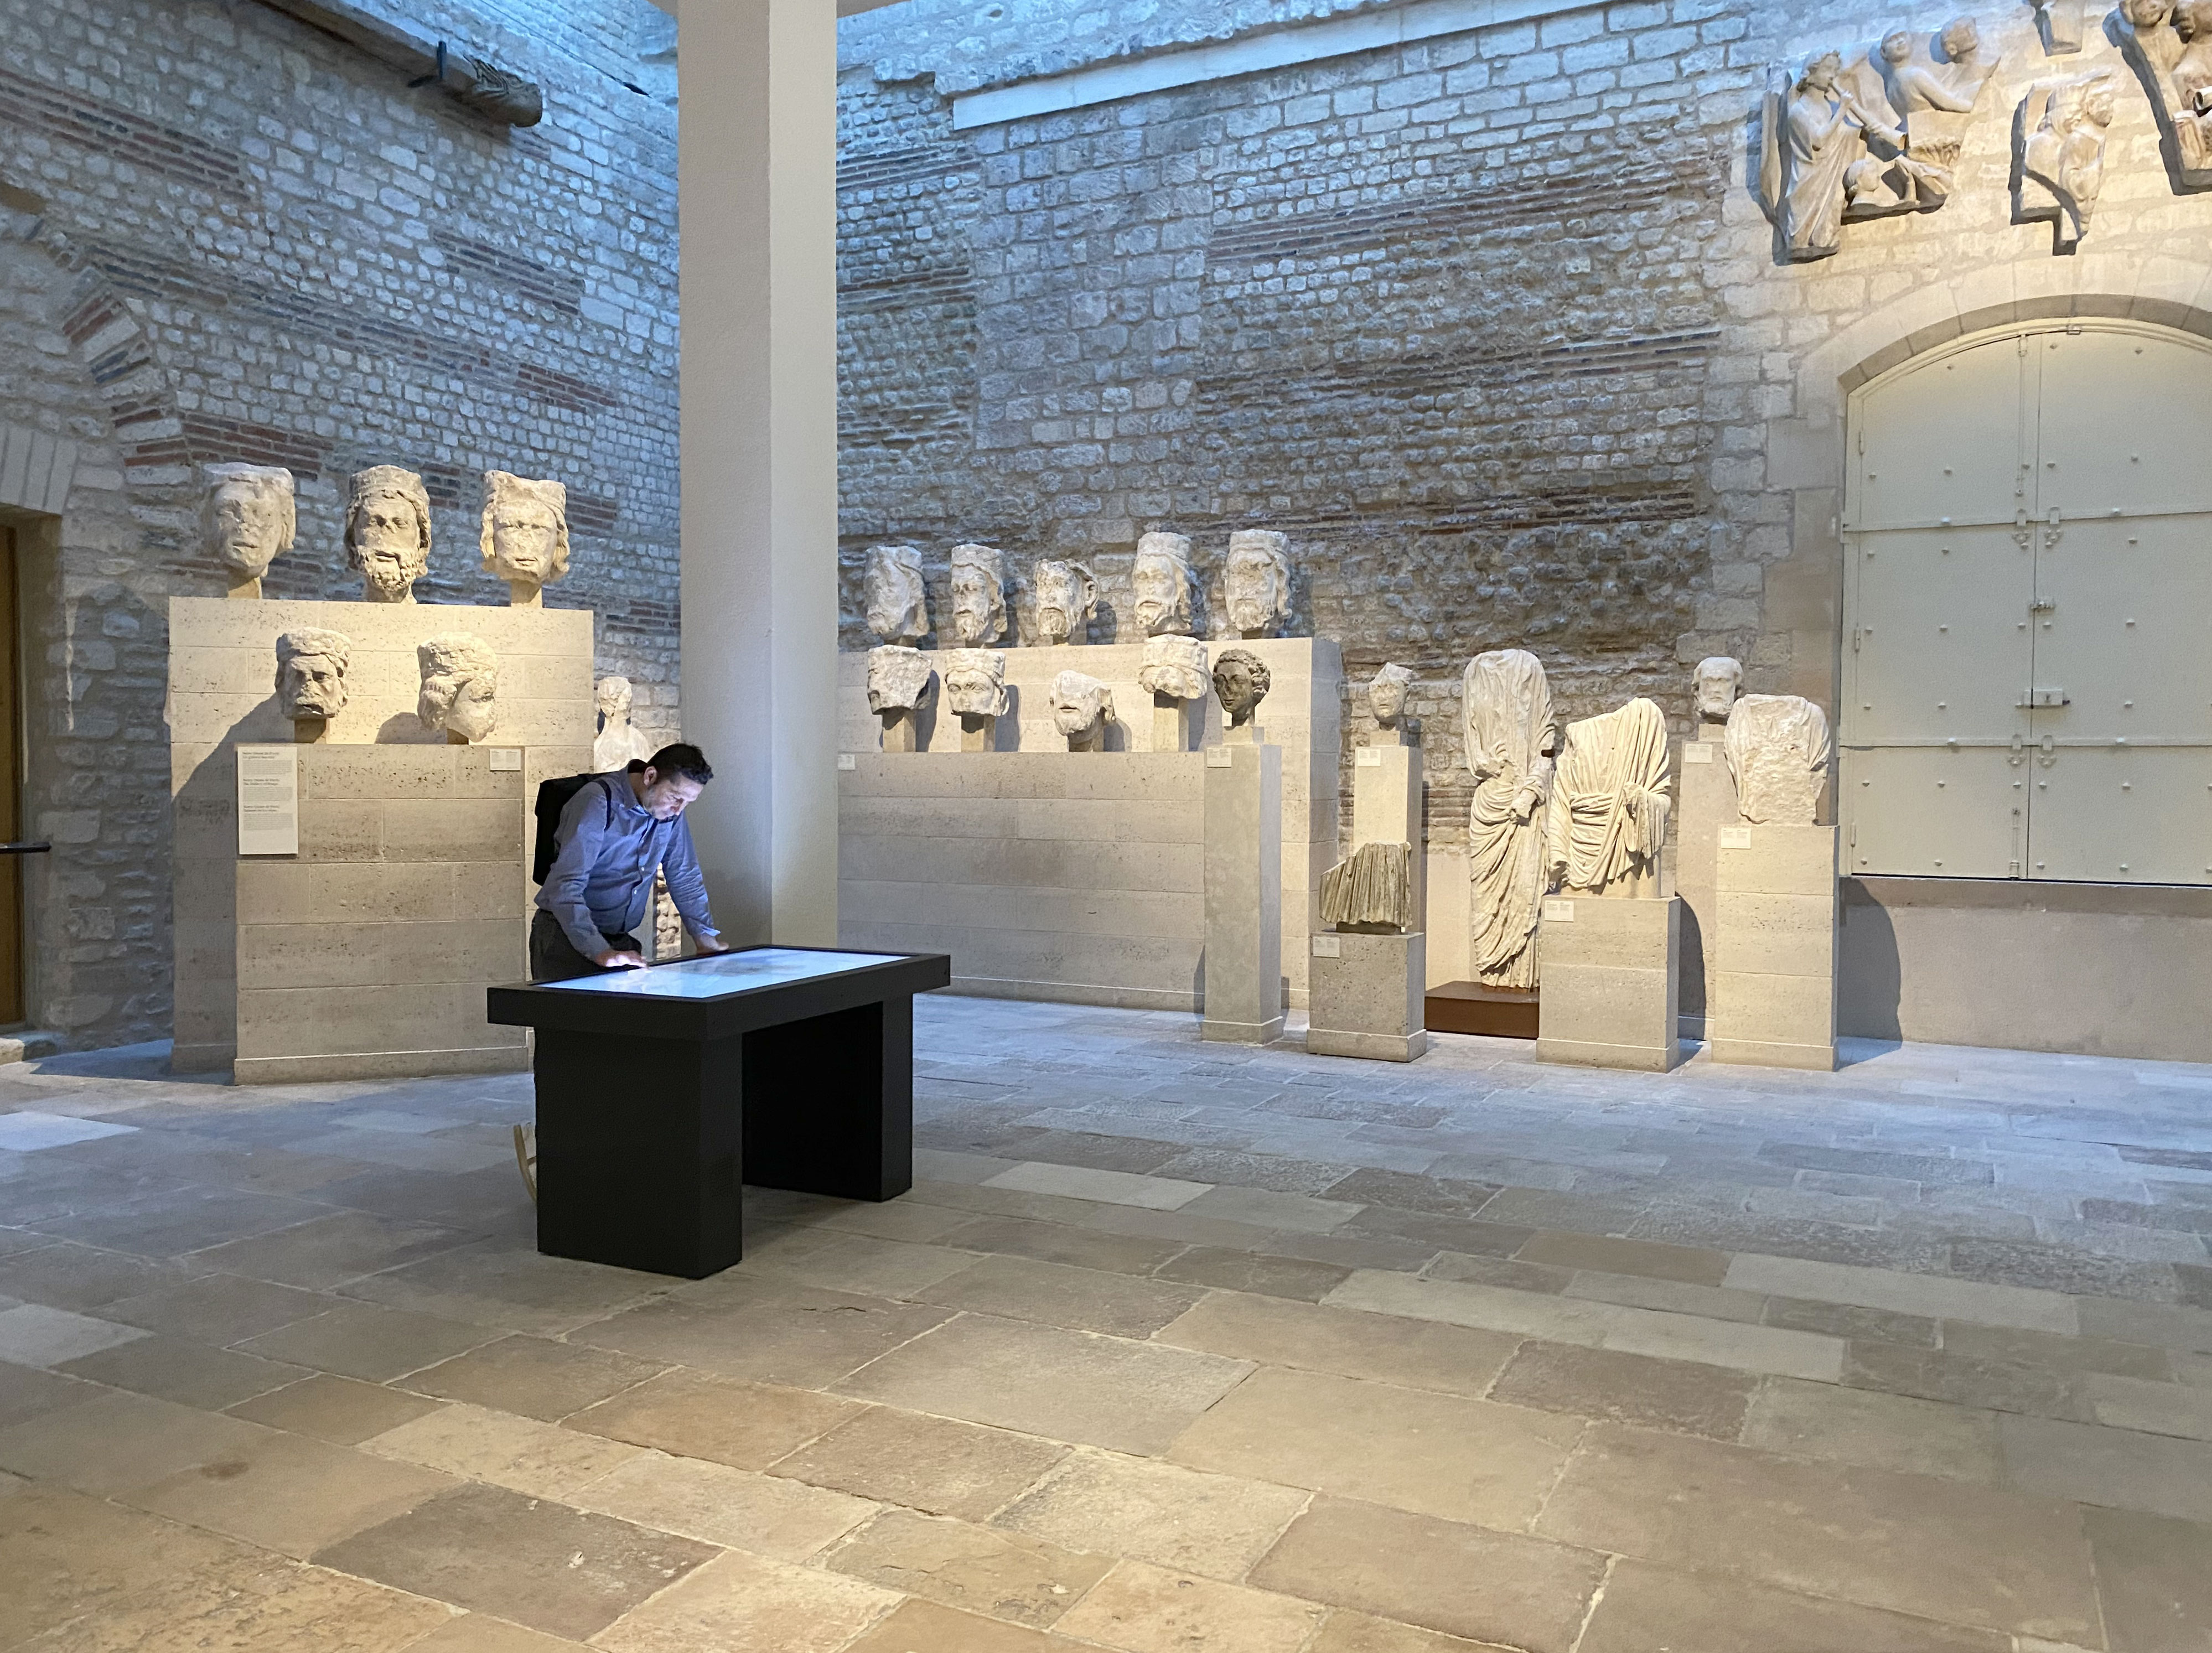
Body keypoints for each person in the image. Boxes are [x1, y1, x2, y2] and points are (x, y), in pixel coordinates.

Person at [531, 743, 731, 980]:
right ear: (650, 776)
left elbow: (684, 875)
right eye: (675, 798)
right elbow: (565, 886)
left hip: (618, 939)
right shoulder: (597, 802)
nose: (678, 810)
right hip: (565, 938)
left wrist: (704, 937)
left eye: (687, 802)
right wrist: (601, 952)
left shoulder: (669, 813)